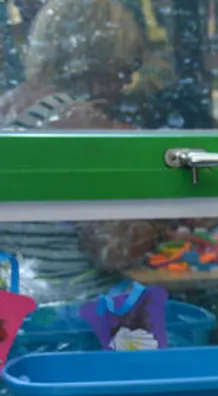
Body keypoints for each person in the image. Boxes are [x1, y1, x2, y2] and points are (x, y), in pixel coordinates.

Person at [0, 0, 157, 303]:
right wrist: (158, 218)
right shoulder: (85, 125)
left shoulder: (7, 107)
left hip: (13, 311)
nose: (126, 83)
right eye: (124, 68)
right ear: (95, 62)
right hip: (74, 314)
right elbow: (114, 250)